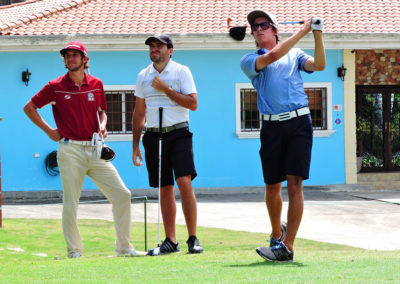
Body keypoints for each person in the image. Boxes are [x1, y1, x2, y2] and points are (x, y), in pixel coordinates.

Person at [24, 41, 144, 258]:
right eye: (67, 56)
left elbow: (102, 112)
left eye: (74, 55)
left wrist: (104, 125)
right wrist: (49, 131)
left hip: (95, 149)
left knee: (122, 195)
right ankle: (74, 252)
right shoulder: (55, 86)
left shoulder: (96, 84)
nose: (70, 59)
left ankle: (124, 249)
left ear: (84, 59)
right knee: (71, 202)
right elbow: (29, 107)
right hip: (70, 150)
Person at [240, 11, 326, 262]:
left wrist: (317, 34)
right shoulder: (249, 59)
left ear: (275, 29)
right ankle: (277, 234)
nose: (258, 29)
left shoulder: (296, 54)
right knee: (272, 186)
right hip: (271, 127)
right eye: (255, 27)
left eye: (264, 25)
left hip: (299, 122)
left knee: (295, 184)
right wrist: (303, 31)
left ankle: (286, 247)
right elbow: (274, 55)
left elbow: (319, 65)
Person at [132, 34, 203, 255]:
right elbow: (139, 112)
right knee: (164, 188)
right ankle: (170, 240)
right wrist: (135, 145)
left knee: (184, 182)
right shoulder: (143, 75)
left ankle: (193, 238)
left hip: (178, 132)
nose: (154, 50)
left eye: (158, 46)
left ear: (170, 51)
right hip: (153, 136)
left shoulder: (182, 71)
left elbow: (193, 104)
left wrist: (165, 89)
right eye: (151, 47)